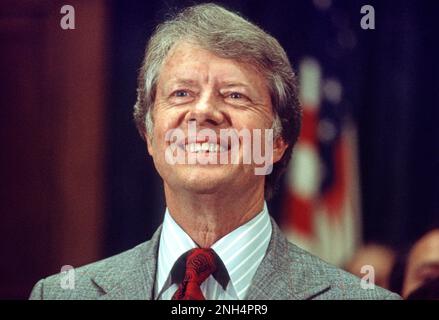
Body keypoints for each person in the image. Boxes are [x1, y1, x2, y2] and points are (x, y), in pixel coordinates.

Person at [29, 3, 400, 300]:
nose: (203, 111)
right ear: (150, 135)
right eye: (182, 94)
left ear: (276, 142)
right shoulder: (61, 295)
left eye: (235, 95)